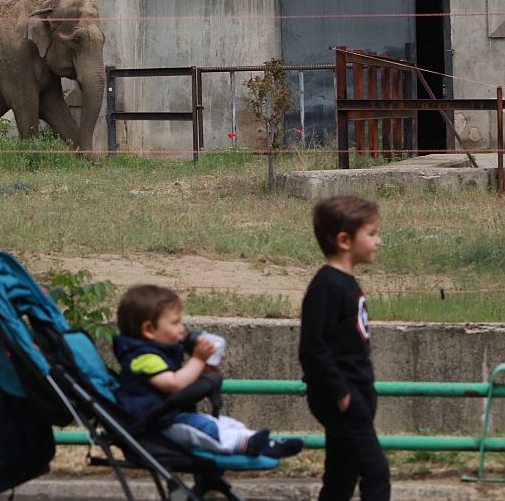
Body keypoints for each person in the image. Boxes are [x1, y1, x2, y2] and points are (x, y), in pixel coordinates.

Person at [113, 284, 303, 458]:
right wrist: (197, 359)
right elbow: (173, 384)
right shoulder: (143, 358)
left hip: (168, 417)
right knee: (205, 428)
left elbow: (181, 379)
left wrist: (203, 369)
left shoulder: (156, 353)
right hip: (155, 425)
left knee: (224, 423)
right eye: (175, 323)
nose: (182, 329)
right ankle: (248, 445)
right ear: (148, 329)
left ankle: (260, 441)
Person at [300, 195, 390, 501]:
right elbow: (313, 349)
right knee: (375, 472)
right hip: (341, 395)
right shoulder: (327, 286)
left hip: (356, 392)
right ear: (344, 240)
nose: (378, 241)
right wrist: (341, 395)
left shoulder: (347, 283)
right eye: (372, 233)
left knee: (341, 475)